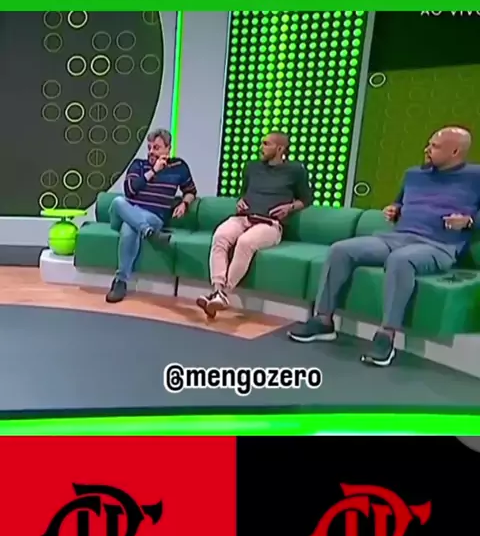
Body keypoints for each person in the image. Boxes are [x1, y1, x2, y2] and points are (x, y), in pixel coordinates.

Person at [288, 126, 480, 367]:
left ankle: (386, 336)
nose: (427, 149)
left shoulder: (475, 177)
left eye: (435, 146)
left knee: (400, 260)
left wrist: (469, 221)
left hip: (438, 245)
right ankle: (323, 321)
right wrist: (394, 209)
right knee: (340, 250)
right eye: (429, 144)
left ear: (455, 152)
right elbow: (399, 202)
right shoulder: (414, 174)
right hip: (396, 237)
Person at [196, 132, 312, 318]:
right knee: (220, 236)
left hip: (270, 224)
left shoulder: (295, 170)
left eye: (266, 144)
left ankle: (223, 293)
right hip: (244, 217)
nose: (261, 147)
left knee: (245, 242)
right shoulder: (252, 167)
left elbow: (306, 199)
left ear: (280, 149)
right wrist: (240, 201)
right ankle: (217, 290)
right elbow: (244, 193)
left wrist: (290, 207)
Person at [106, 128, 197, 303]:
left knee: (129, 229)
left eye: (156, 148)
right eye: (149, 147)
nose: (151, 152)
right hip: (126, 212)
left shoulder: (179, 167)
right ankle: (148, 232)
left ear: (168, 149)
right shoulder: (139, 165)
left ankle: (120, 282)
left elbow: (191, 191)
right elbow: (130, 190)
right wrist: (153, 171)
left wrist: (185, 203)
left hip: (153, 217)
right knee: (118, 202)